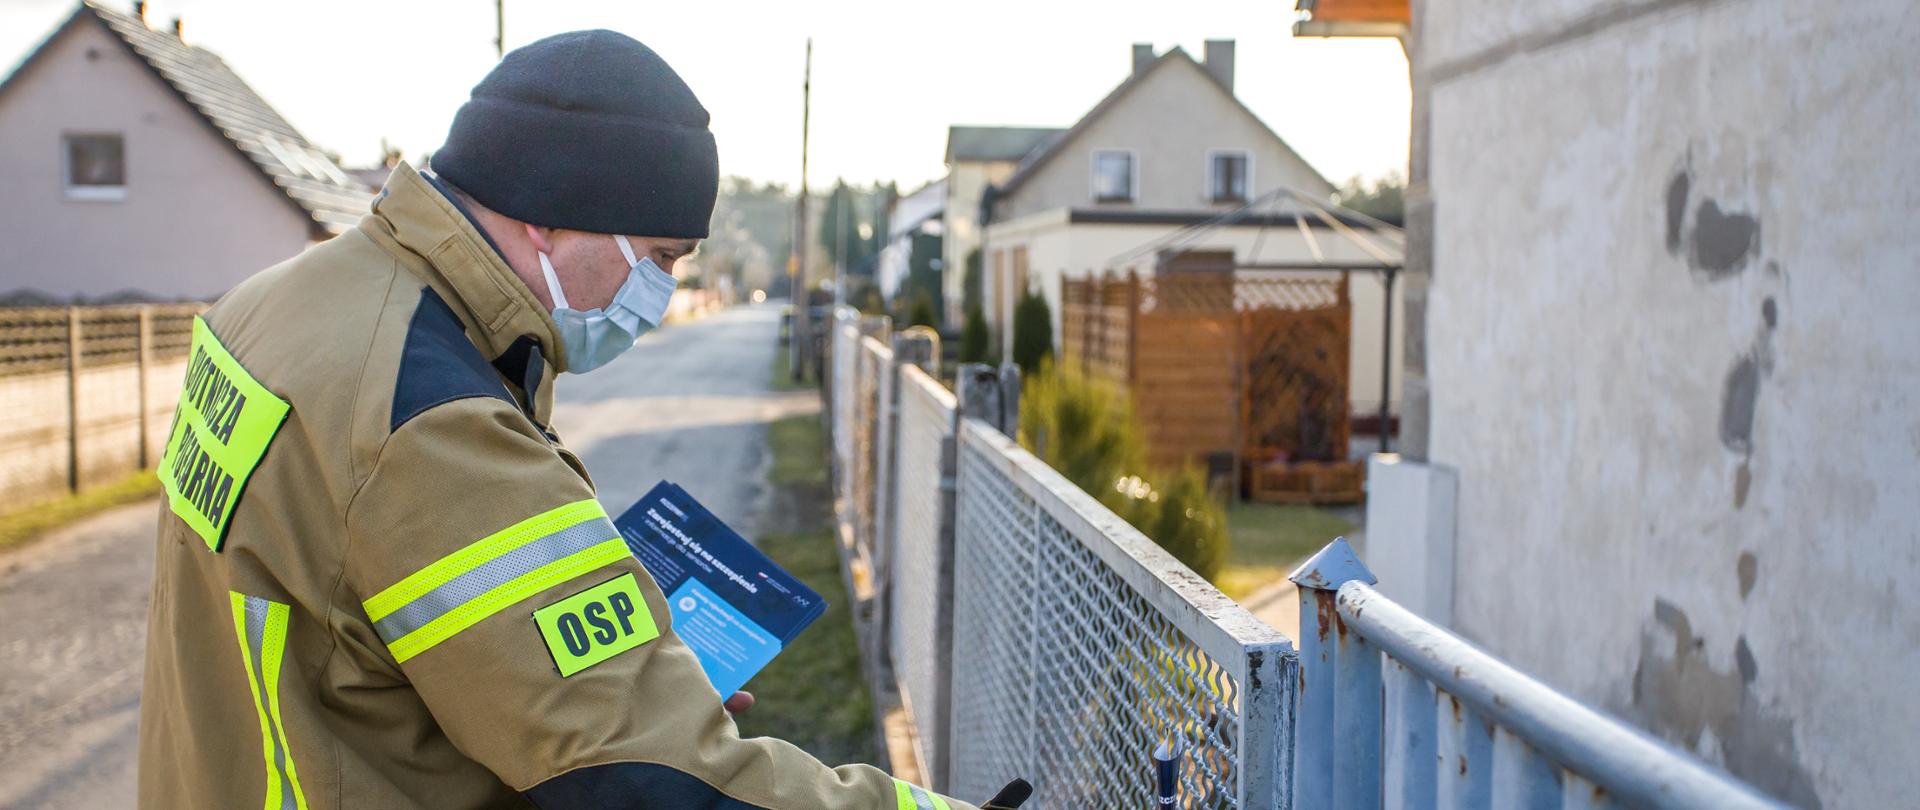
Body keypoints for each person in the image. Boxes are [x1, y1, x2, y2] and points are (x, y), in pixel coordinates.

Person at [135, 29, 1027, 810]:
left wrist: (597, 680)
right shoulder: (432, 419)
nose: (664, 291)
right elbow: (652, 780)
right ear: (550, 218)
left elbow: (349, 630)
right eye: (659, 255)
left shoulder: (270, 305)